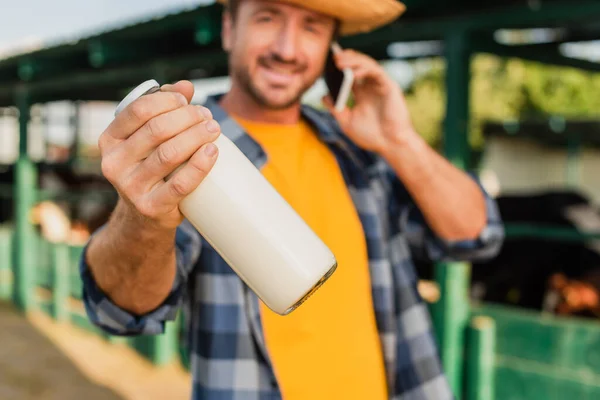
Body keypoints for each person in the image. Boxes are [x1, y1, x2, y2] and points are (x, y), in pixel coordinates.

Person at [80, 0, 504, 399]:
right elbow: (121, 311)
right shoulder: (185, 149)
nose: (286, 48)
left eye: (311, 26)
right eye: (267, 17)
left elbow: (475, 236)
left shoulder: (357, 146)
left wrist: (400, 140)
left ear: (331, 47)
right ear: (230, 28)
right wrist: (143, 218)